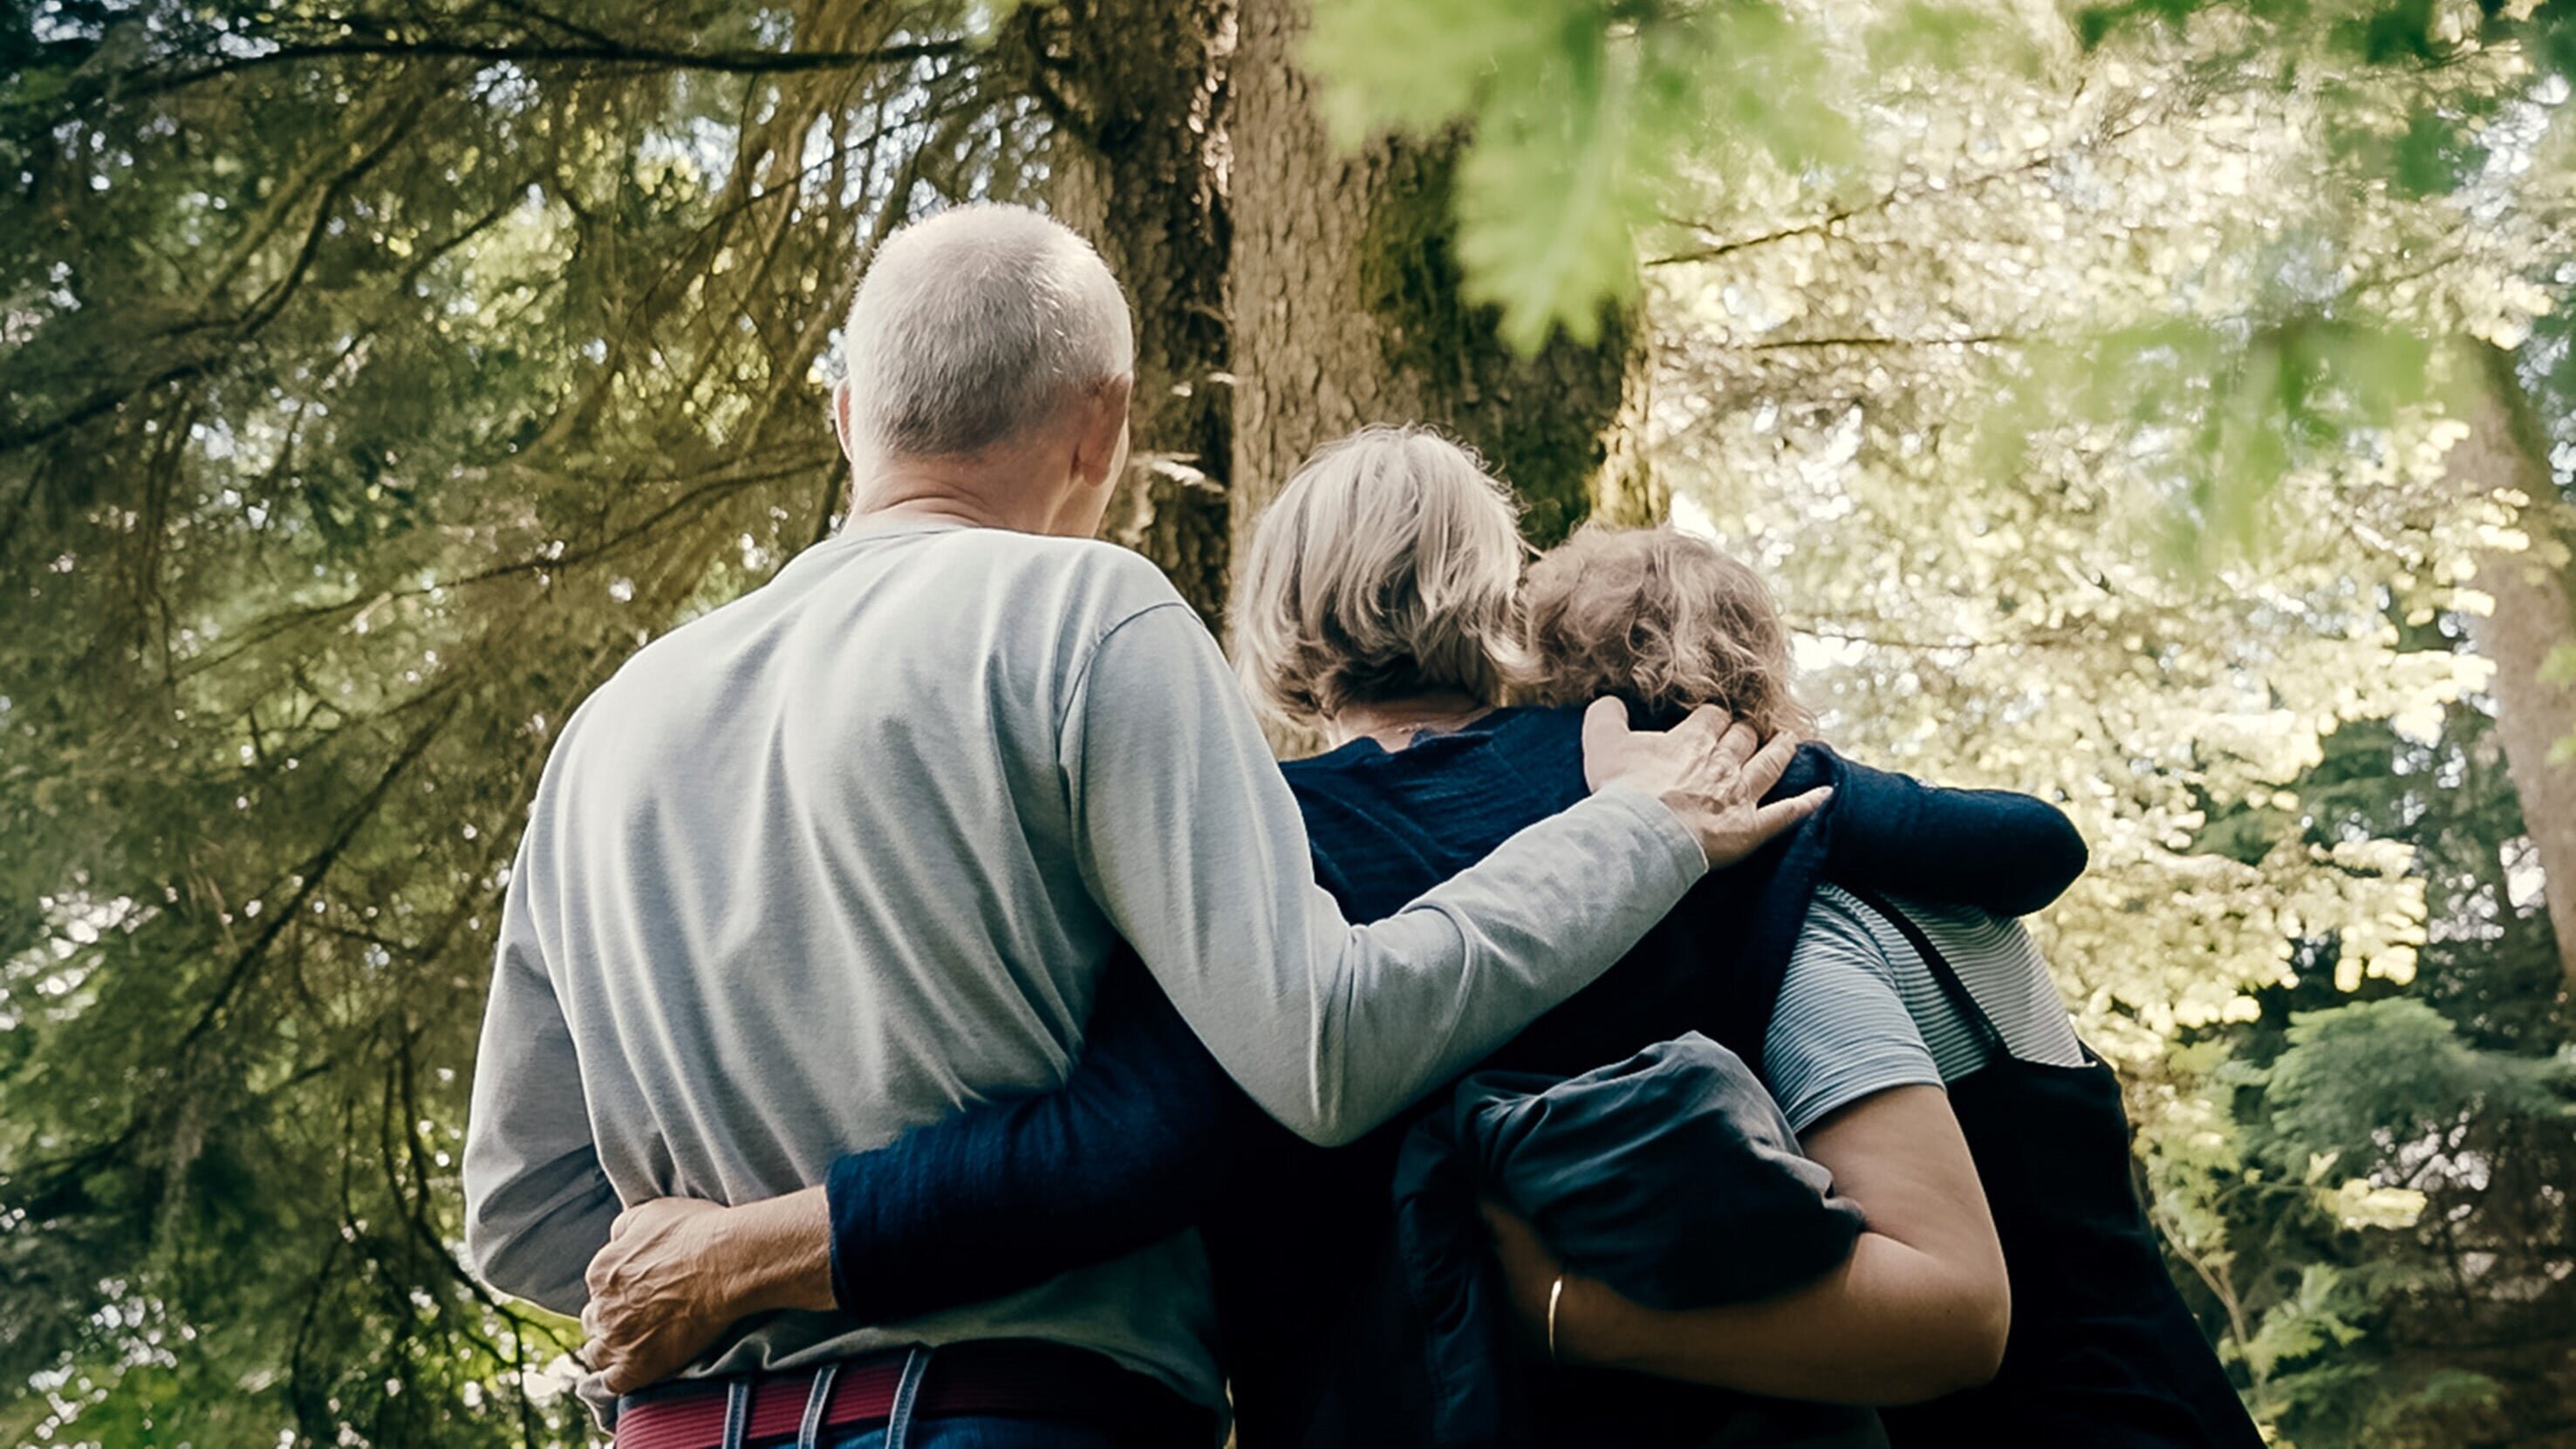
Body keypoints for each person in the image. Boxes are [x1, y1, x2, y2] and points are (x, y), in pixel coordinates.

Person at [458, 207, 1824, 1449]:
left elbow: (520, 1214)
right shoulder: (1082, 614)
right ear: (1101, 426)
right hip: (1013, 1416)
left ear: (845, 415)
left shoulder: (607, 728)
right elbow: (1322, 1045)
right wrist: (1633, 834)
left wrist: (715, 1276)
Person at [576, 427, 2120, 1447]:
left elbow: (1115, 1150)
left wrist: (756, 1247)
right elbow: (2019, 843)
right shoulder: (1645, 772)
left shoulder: (1222, 854)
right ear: (1493, 593)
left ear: (1275, 615)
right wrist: (1761, 752)